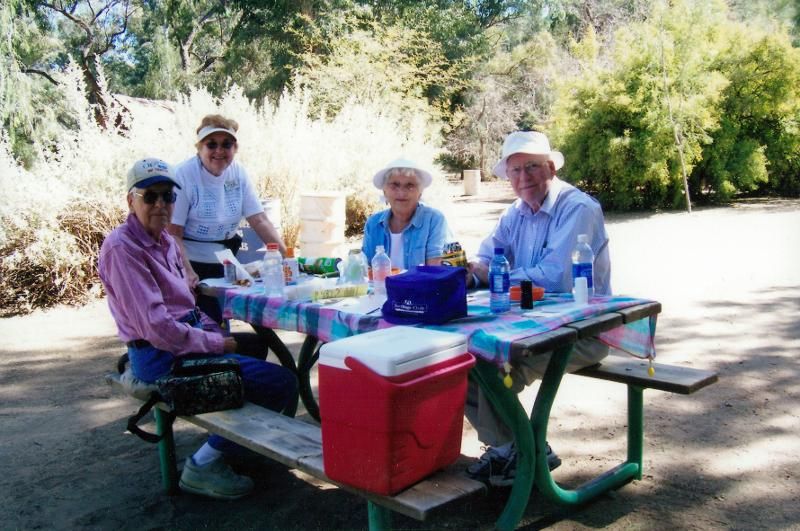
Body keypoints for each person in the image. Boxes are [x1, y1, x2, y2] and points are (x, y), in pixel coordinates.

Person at [99, 158, 297, 500]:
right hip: (160, 354)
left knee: (252, 347)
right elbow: (159, 328)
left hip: (174, 340)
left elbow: (186, 308)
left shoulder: (164, 241)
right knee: (283, 382)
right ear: (130, 200)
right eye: (150, 197)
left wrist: (215, 335)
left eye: (167, 197)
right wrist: (216, 344)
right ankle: (203, 465)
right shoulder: (123, 249)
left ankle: (236, 435)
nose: (161, 205)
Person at [464, 131, 612, 486]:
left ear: (550, 168)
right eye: (515, 170)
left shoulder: (576, 207)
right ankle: (516, 448)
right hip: (533, 326)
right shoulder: (515, 212)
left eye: (532, 167)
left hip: (582, 331)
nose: (523, 177)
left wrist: (495, 274)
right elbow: (487, 256)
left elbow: (554, 278)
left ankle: (518, 452)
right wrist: (468, 272)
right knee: (460, 360)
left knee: (490, 364)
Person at [168, 114, 286, 323]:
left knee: (223, 320)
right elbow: (173, 232)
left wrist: (287, 257)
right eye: (211, 145)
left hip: (225, 260)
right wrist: (186, 271)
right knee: (202, 323)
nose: (219, 151)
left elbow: (259, 220)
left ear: (235, 149)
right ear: (199, 148)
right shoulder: (183, 175)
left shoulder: (238, 173)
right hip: (189, 261)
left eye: (227, 145)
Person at [362, 158, 450, 268]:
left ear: (420, 193)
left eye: (410, 186)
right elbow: (366, 269)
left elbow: (434, 270)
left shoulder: (433, 220)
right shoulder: (373, 223)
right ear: (384, 191)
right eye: (394, 185)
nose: (402, 192)